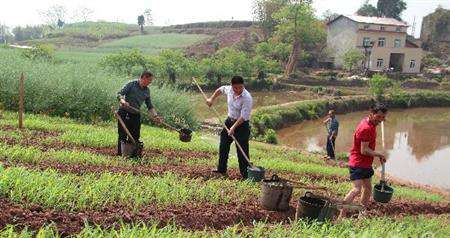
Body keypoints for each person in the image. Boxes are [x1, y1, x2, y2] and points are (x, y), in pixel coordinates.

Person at [339, 103, 387, 218]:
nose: (381, 120)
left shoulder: (370, 123)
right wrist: (379, 154)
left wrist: (378, 155)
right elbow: (364, 150)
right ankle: (341, 215)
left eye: (383, 117)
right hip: (358, 163)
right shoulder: (366, 128)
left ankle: (362, 212)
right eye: (378, 117)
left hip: (365, 163)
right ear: (371, 114)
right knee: (356, 189)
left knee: (368, 188)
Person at [206, 76, 253, 179]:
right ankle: (221, 169)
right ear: (232, 86)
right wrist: (211, 99)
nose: (238, 90)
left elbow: (244, 116)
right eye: (236, 88)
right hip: (229, 121)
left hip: (241, 125)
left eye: (240, 87)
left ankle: (246, 176)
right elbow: (220, 90)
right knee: (223, 145)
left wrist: (233, 128)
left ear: (243, 85)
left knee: (242, 151)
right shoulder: (229, 90)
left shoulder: (247, 97)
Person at [116, 70, 162, 156]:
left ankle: (132, 155)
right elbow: (119, 94)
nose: (150, 83)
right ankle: (120, 154)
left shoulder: (147, 91)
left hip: (135, 114)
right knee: (122, 135)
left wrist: (156, 116)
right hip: (124, 112)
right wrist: (123, 101)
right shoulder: (131, 84)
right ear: (143, 78)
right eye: (149, 81)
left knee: (135, 136)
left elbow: (150, 106)